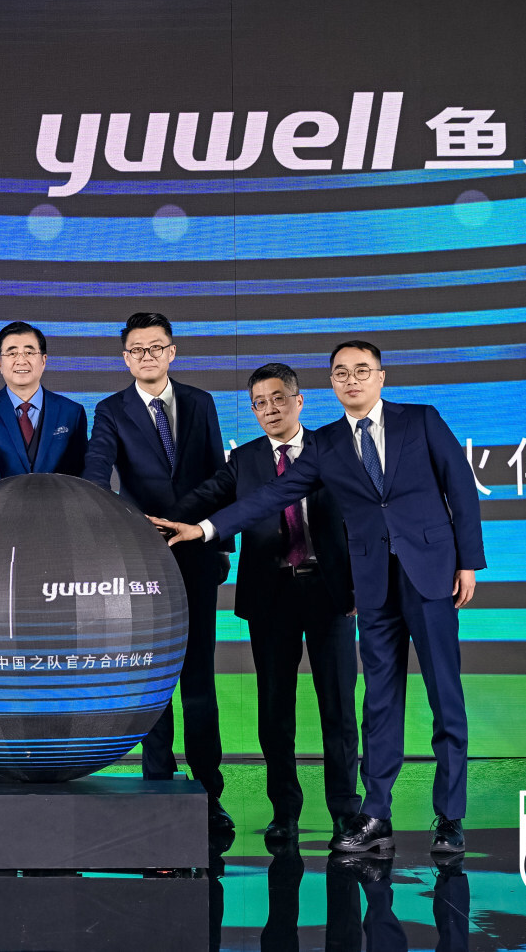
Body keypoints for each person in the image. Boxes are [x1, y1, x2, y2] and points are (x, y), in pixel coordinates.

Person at [152, 340, 484, 857]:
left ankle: (450, 817)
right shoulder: (326, 443)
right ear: (331, 383)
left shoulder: (421, 420)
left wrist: (468, 561)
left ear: (380, 376)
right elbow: (270, 496)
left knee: (445, 697)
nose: (352, 380)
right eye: (341, 373)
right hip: (371, 586)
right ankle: (376, 815)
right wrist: (203, 530)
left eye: (361, 370)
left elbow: (459, 486)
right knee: (378, 703)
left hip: (429, 575)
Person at [170, 363, 362, 843]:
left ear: (299, 401)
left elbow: (363, 520)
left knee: (339, 707)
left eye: (278, 399)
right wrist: (146, 522)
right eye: (260, 403)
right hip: (271, 596)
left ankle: (346, 811)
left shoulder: (334, 450)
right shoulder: (245, 460)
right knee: (275, 709)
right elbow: (203, 500)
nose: (270, 409)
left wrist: (363, 584)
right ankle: (285, 812)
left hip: (331, 594)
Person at [81, 311, 234, 830]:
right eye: (137, 350)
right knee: (152, 679)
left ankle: (209, 794)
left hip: (196, 555)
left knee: (199, 681)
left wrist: (214, 543)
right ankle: (158, 789)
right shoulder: (110, 410)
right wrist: (116, 524)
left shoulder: (200, 402)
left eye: (156, 347)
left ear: (172, 352)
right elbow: (96, 474)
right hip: (141, 560)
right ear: (126, 358)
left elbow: (220, 476)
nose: (147, 356)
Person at [0, 320, 88, 487]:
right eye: (12, 353)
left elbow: (81, 472)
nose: (21, 360)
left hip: (58, 502)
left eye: (29, 352)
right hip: (1, 501)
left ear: (43, 360)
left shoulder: (72, 412)